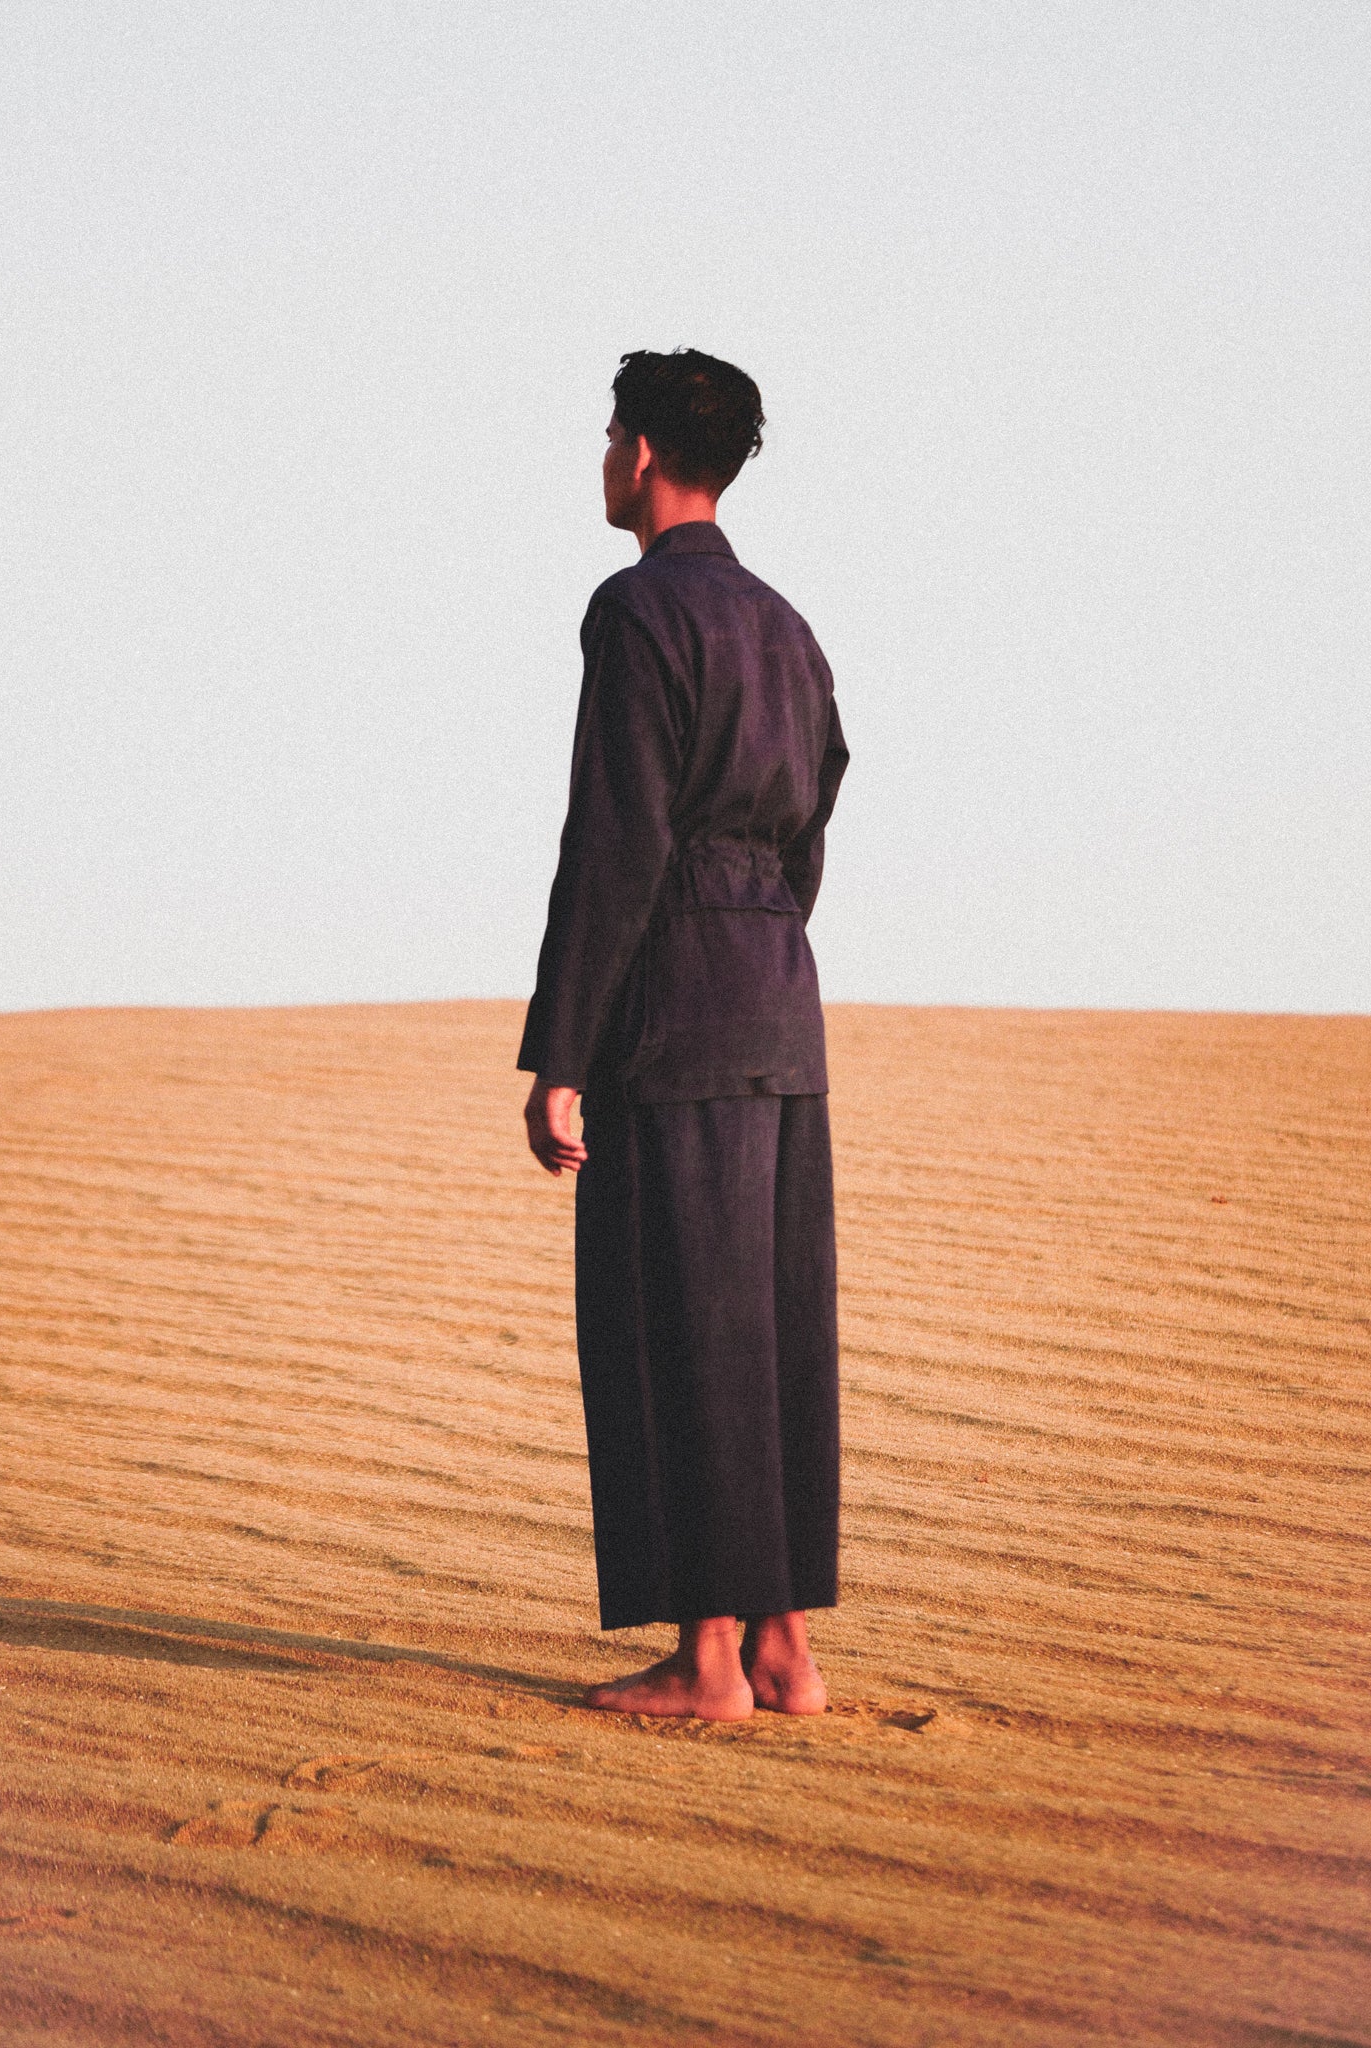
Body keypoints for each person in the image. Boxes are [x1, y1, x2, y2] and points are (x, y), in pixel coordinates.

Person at [519, 348, 848, 1720]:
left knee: (680, 1320)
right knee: (773, 1325)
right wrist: (762, 932)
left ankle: (707, 1658)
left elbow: (617, 841)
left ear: (644, 452)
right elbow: (813, 821)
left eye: (610, 436)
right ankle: (785, 1648)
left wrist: (562, 1053)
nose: (604, 458)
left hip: (677, 1011)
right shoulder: (786, 626)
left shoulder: (639, 611)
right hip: (780, 995)